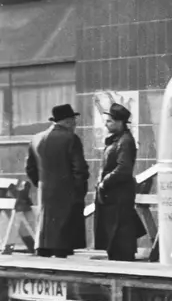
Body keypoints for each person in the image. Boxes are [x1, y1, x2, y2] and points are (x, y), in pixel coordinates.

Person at [25, 104, 89, 257]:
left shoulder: (36, 139)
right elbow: (79, 169)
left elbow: (30, 169)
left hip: (44, 193)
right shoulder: (71, 139)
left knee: (45, 234)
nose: (75, 125)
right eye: (74, 121)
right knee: (63, 241)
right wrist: (79, 192)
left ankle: (43, 252)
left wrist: (41, 184)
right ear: (68, 121)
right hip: (67, 194)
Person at [94, 103, 146, 261]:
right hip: (113, 197)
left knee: (119, 238)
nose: (106, 124)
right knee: (114, 238)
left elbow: (123, 169)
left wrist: (104, 182)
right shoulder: (117, 140)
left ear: (119, 122)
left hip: (118, 196)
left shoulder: (125, 141)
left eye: (109, 121)